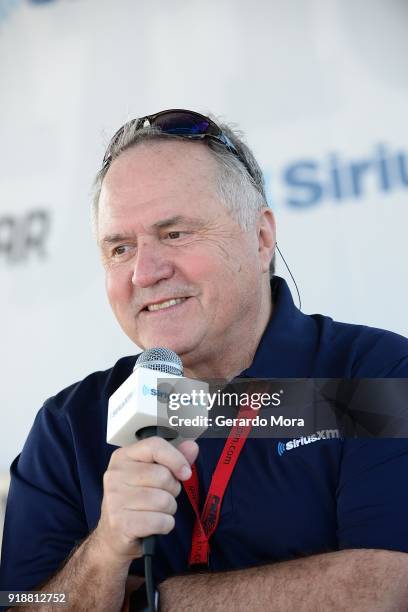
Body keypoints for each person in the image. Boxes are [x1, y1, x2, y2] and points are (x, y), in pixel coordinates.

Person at [1, 109, 408, 611]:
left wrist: (157, 600)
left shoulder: (374, 374)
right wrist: (105, 552)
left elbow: (384, 589)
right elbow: (20, 602)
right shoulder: (69, 425)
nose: (145, 272)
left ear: (260, 239)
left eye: (175, 234)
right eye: (120, 248)